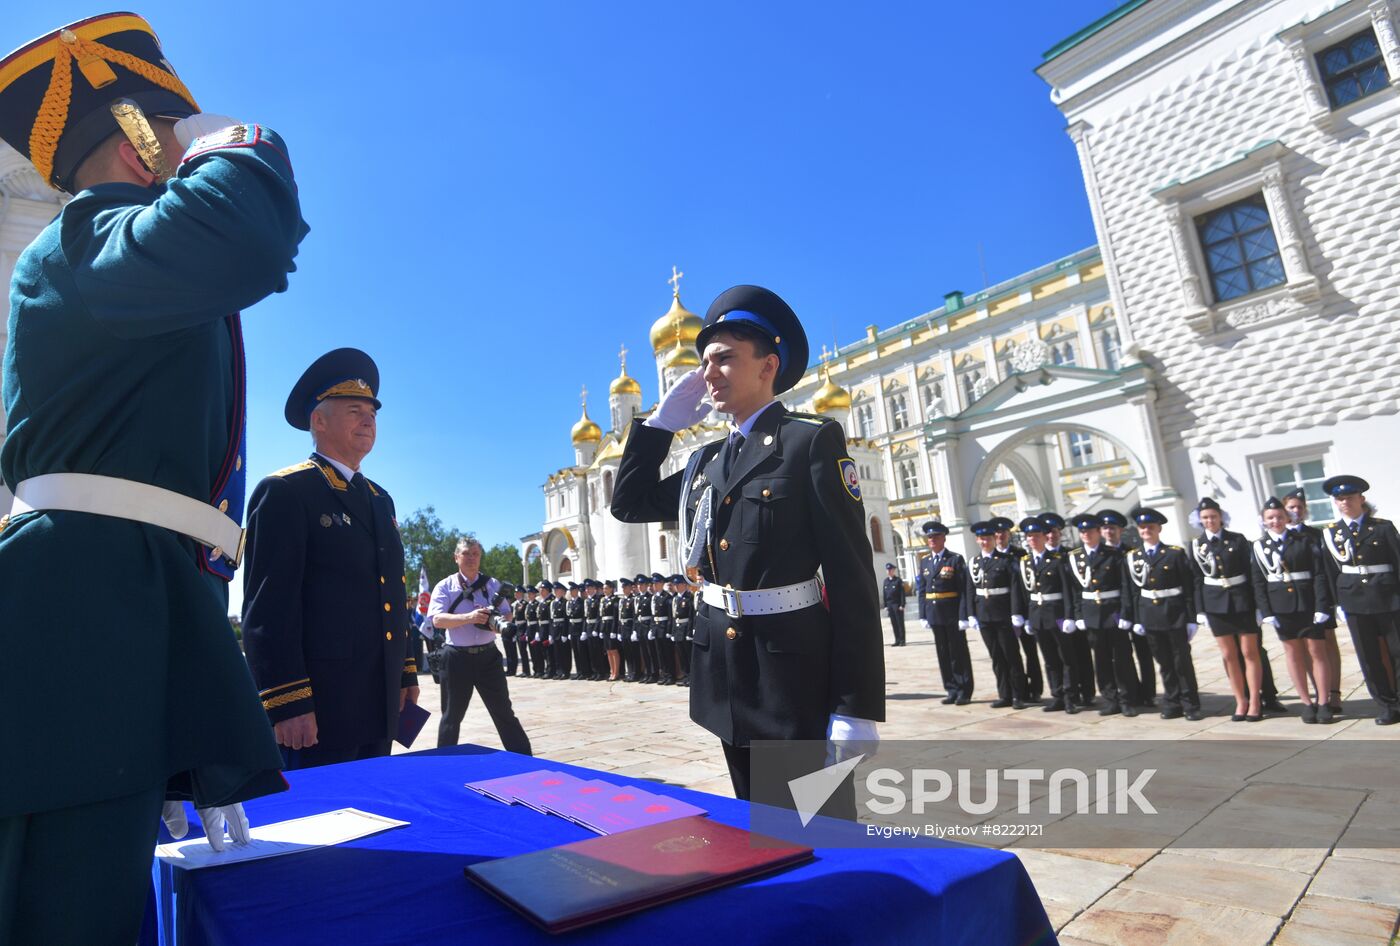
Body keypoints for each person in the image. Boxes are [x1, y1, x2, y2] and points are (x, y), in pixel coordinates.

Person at [0, 15, 305, 942]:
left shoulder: (122, 259)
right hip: (81, 600)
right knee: (62, 906)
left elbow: (254, 247)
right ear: (138, 141)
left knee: (108, 890)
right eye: (169, 134)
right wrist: (239, 136)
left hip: (129, 580)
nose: (185, 150)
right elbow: (248, 234)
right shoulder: (78, 245)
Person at [611, 284, 884, 801]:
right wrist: (658, 426)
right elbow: (629, 503)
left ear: (768, 366)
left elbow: (852, 581)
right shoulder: (705, 462)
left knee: (815, 838)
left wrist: (856, 706)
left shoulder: (809, 442)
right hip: (726, 677)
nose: (707, 373)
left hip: (793, 678)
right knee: (756, 829)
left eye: (724, 359)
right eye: (704, 361)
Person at [243, 349, 419, 767]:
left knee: (378, 814)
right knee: (323, 822)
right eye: (354, 410)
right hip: (320, 705)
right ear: (317, 421)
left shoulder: (380, 500)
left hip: (379, 698)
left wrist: (406, 672)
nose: (368, 419)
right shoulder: (287, 492)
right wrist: (287, 702)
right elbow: (269, 607)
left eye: (372, 412)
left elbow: (393, 593)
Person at [427, 538, 532, 753]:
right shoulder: (445, 586)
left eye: (475, 553)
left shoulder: (492, 584)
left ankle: (526, 761)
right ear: (456, 557)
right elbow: (437, 620)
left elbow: (507, 614)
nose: (471, 558)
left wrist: (498, 625)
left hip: (488, 657)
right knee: (451, 716)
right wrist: (470, 617)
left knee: (504, 713)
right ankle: (443, 765)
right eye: (466, 553)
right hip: (456, 657)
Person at [1319, 476, 1400, 725]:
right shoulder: (1331, 533)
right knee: (1368, 656)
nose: (1345, 502)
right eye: (1340, 499)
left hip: (1387, 597)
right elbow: (1329, 572)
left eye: (1349, 498)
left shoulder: (1383, 527)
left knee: (1398, 651)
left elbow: (1398, 562)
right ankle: (1386, 704)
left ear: (1361, 499)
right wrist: (1336, 604)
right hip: (1353, 599)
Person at [1251, 497, 1335, 724]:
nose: (1275, 521)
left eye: (1279, 516)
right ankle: (1307, 702)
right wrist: (1266, 611)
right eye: (1270, 518)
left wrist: (1321, 605)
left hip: (1308, 603)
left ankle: (1324, 701)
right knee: (1293, 654)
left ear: (1288, 518)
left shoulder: (1304, 541)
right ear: (1264, 521)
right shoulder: (1258, 547)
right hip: (1281, 607)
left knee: (1317, 652)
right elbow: (1258, 582)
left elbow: (1319, 574)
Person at [1122, 507, 1203, 720]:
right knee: (1164, 662)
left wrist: (1191, 618)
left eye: (1150, 526)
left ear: (1159, 528)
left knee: (1181, 661)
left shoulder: (1174, 553)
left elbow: (1188, 587)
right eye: (1142, 527)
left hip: (1174, 614)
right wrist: (1137, 619)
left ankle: (1191, 703)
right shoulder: (1133, 557)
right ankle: (1172, 701)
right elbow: (1132, 592)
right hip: (1150, 615)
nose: (1146, 530)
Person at [1189, 498, 1264, 721]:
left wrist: (1259, 606)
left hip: (1242, 601)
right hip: (1215, 604)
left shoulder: (1238, 540)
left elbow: (1252, 574)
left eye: (1213, 516)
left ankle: (1256, 701)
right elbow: (1195, 580)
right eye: (1205, 518)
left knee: (1250, 653)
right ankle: (1240, 701)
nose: (1209, 521)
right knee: (1229, 655)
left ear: (1221, 517)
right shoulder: (1196, 545)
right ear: (1199, 520)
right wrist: (1200, 610)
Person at [1066, 515, 1138, 716]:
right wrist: (1078, 615)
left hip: (1113, 612)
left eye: (1090, 531)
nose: (1086, 535)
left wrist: (1125, 613)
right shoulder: (1075, 557)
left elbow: (1124, 586)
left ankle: (1127, 699)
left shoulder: (1113, 555)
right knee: (1101, 659)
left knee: (1122, 657)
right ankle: (1110, 699)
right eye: (1082, 532)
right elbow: (1075, 591)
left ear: (1098, 532)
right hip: (1091, 614)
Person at [1285, 489, 1343, 714]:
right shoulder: (1282, 536)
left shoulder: (1317, 534)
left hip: (1320, 596)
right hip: (1297, 601)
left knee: (1328, 642)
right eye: (1291, 507)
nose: (1296, 511)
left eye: (1300, 507)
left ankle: (1334, 692)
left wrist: (1332, 600)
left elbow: (1327, 568)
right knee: (1307, 648)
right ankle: (1321, 694)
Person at [1015, 518, 1078, 714]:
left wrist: (1069, 616)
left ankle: (1070, 697)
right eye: (1029, 536)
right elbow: (1023, 593)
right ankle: (1057, 695)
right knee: (1049, 659)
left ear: (1044, 537)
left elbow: (1068, 591)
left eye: (1036, 535)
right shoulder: (1025, 562)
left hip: (1057, 614)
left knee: (1066, 657)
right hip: (1037, 616)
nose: (1032, 539)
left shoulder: (1057, 560)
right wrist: (1024, 617)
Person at [968, 521, 1032, 709]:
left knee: (1011, 656)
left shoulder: (1005, 560)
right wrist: (971, 614)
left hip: (1003, 614)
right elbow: (971, 589)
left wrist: (1015, 613)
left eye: (988, 538)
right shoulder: (974, 562)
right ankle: (1005, 694)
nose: (985, 542)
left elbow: (1014, 589)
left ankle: (1019, 694)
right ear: (977, 540)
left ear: (994, 540)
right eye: (982, 539)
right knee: (996, 657)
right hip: (984, 616)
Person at [1102, 508, 1156, 708]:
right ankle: (1128, 691)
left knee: (1144, 653)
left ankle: (1148, 692)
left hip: (1136, 609)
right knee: (1121, 655)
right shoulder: (1100, 554)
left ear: (1121, 530)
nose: (1109, 532)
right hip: (1114, 613)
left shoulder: (1130, 552)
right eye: (1106, 528)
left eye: (1113, 528)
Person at [916, 521, 973, 704]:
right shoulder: (925, 561)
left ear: (943, 538)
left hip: (952, 613)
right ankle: (951, 688)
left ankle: (964, 689)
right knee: (943, 653)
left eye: (935, 536)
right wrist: (923, 614)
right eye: (929, 537)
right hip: (934, 614)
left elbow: (963, 589)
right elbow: (922, 590)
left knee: (958, 652)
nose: (932, 540)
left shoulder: (954, 559)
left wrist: (964, 615)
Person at [994, 516, 1044, 700]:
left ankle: (1035, 689)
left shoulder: (1021, 554)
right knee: (1009, 654)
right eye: (997, 533)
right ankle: (1017, 689)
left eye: (1003, 532)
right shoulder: (991, 556)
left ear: (1009, 534)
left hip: (1023, 610)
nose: (1000, 536)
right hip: (1003, 612)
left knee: (1030, 651)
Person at [671, 574, 694, 686]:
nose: (676, 586)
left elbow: (691, 616)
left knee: (688, 654)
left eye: (678, 584)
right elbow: (673, 617)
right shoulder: (675, 599)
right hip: (678, 630)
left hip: (685, 629)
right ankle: (685, 676)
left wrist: (689, 632)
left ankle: (691, 677)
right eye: (675, 585)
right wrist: (672, 631)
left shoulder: (689, 597)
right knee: (682, 655)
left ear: (684, 585)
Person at [601, 578, 623, 681]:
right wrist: (601, 629)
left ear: (611, 589)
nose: (604, 590)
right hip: (605, 627)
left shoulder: (616, 600)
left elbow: (615, 617)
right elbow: (601, 616)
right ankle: (611, 671)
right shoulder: (603, 600)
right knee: (608, 651)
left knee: (614, 650)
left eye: (606, 588)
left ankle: (616, 672)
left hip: (611, 627)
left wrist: (614, 631)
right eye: (603, 588)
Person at [509, 584, 531, 678]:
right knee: (520, 651)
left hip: (522, 628)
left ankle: (527, 671)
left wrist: (526, 632)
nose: (515, 594)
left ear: (521, 594)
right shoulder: (516, 604)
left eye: (517, 592)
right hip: (517, 628)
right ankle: (524, 670)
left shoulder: (524, 604)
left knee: (523, 651)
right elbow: (514, 619)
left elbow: (526, 619)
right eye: (515, 592)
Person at [883, 563, 908, 646]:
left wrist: (902, 605)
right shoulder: (886, 581)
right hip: (890, 605)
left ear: (893, 571)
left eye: (890, 570)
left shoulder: (898, 581)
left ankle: (902, 640)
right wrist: (885, 605)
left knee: (899, 623)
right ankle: (897, 640)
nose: (889, 571)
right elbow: (885, 594)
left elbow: (902, 594)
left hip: (897, 605)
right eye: (888, 570)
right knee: (894, 623)